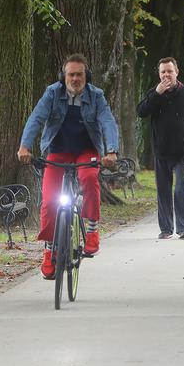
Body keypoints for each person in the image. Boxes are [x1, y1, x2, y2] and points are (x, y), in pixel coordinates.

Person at [18, 53, 120, 279]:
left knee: (89, 179)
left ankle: (92, 229)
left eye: (79, 75)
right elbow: (36, 118)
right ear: (63, 76)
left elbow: (107, 122)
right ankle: (49, 249)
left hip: (87, 150)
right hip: (58, 151)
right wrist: (25, 146)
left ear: (87, 76)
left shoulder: (97, 97)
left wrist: (111, 150)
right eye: (71, 74)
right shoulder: (52, 93)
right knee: (49, 199)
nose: (75, 79)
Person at [136, 57, 184, 240]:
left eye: (169, 71)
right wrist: (156, 94)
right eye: (163, 72)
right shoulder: (154, 93)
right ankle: (166, 228)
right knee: (163, 190)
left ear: (177, 72)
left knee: (180, 187)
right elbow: (141, 111)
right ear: (159, 74)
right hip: (161, 151)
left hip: (183, 151)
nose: (166, 75)